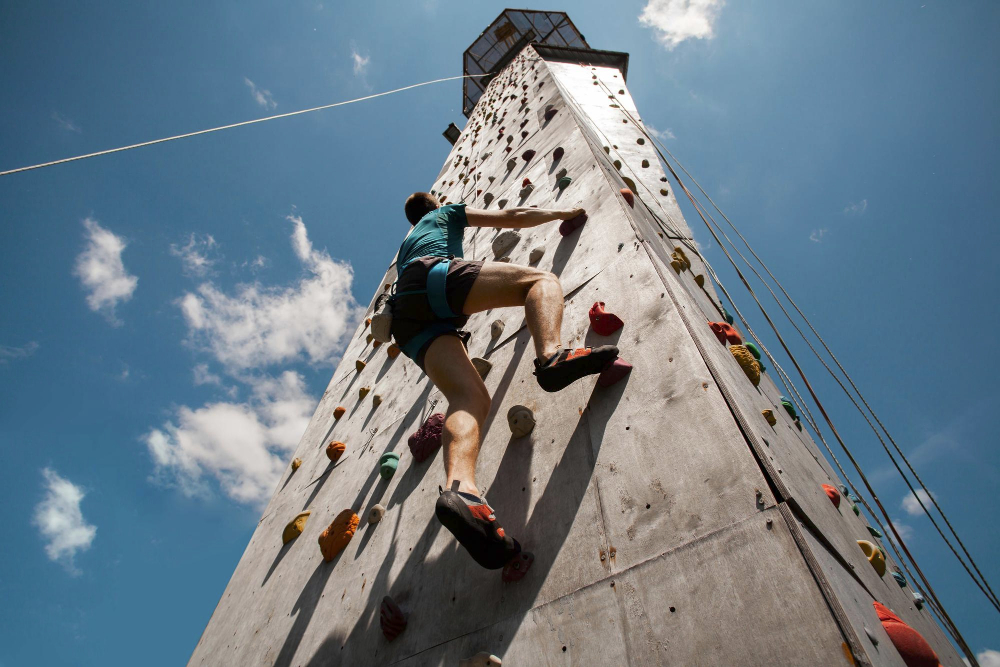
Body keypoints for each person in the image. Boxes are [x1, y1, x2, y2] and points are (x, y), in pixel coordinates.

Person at [389, 192, 619, 572]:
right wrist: (564, 211)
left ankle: (462, 492)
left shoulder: (406, 244)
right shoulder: (444, 214)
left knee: (468, 398)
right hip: (432, 280)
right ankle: (552, 356)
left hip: (406, 320)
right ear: (434, 205)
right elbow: (513, 214)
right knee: (539, 282)